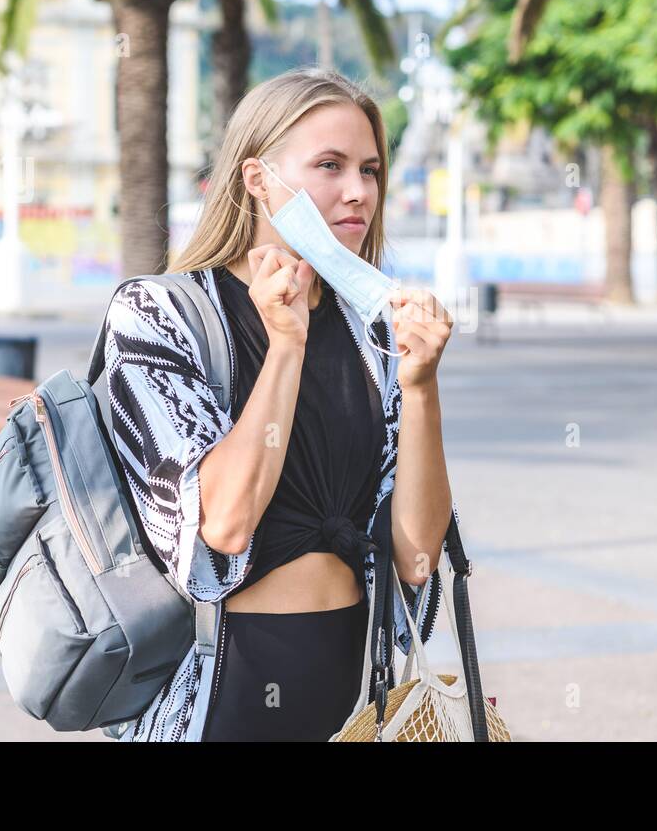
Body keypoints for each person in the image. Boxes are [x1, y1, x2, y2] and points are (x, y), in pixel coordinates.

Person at [101, 66, 461, 741]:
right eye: (330, 165)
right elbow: (226, 523)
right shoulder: (160, 313)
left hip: (355, 691)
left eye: (371, 169)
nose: (358, 192)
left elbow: (414, 561)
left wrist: (420, 386)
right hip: (221, 689)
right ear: (257, 179)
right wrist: (285, 344)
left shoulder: (370, 332)